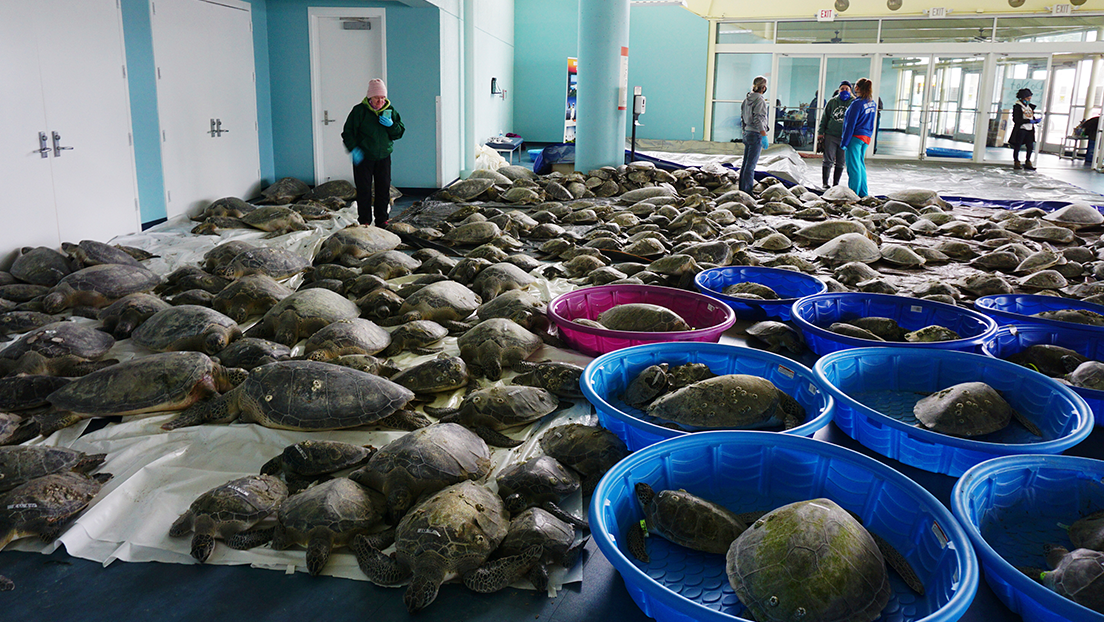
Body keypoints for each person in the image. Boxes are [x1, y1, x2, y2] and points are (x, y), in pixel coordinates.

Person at [342, 78, 405, 226]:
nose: (380, 101)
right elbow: (348, 133)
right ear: (370, 97)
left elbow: (399, 133)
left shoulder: (390, 111)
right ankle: (364, 221)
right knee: (364, 191)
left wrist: (391, 126)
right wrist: (354, 149)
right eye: (377, 98)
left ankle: (382, 219)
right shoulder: (359, 111)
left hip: (384, 156)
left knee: (383, 189)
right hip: (364, 157)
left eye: (383, 98)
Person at [839, 78, 877, 198]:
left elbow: (850, 124)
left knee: (853, 167)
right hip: (866, 137)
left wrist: (844, 142)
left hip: (855, 138)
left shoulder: (857, 103)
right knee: (860, 164)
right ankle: (863, 193)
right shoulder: (872, 103)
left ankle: (853, 194)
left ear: (857, 88)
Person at [817, 80, 853, 189]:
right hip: (831, 135)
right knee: (828, 160)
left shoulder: (853, 102)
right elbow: (825, 118)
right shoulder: (832, 102)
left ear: (850, 91)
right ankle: (825, 183)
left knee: (840, 162)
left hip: (845, 137)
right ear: (839, 90)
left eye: (847, 89)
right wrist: (820, 132)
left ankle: (836, 183)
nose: (844, 91)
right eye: (842, 89)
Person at [740, 76, 770, 194]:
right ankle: (747, 192)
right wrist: (763, 135)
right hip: (755, 134)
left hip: (747, 133)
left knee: (745, 164)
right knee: (750, 166)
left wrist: (744, 130)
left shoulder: (747, 99)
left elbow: (742, 116)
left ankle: (742, 189)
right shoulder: (760, 100)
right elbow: (759, 119)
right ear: (763, 87)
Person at [1008, 88, 1039, 171]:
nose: (1029, 100)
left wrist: (1035, 120)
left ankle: (1028, 161)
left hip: (1030, 129)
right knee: (1017, 145)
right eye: (1027, 98)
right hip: (1021, 129)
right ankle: (1016, 162)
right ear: (1022, 98)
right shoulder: (1017, 107)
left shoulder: (1029, 107)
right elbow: (1016, 120)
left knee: (1030, 146)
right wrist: (1028, 121)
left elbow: (1031, 115)